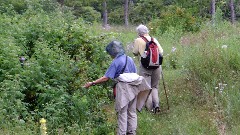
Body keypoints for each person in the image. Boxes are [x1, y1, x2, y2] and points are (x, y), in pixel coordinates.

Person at [84, 40, 151, 135]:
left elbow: (106, 78)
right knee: (132, 111)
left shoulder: (116, 62)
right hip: (134, 87)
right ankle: (132, 132)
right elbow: (134, 73)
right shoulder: (129, 59)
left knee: (122, 112)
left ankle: (122, 133)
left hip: (123, 87)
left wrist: (92, 83)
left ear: (112, 52)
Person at [132, 24, 164, 113]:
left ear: (139, 33)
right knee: (154, 87)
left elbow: (134, 53)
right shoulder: (154, 40)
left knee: (146, 88)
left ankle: (150, 109)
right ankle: (156, 105)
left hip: (145, 67)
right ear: (147, 31)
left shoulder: (138, 40)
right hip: (157, 66)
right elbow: (161, 52)